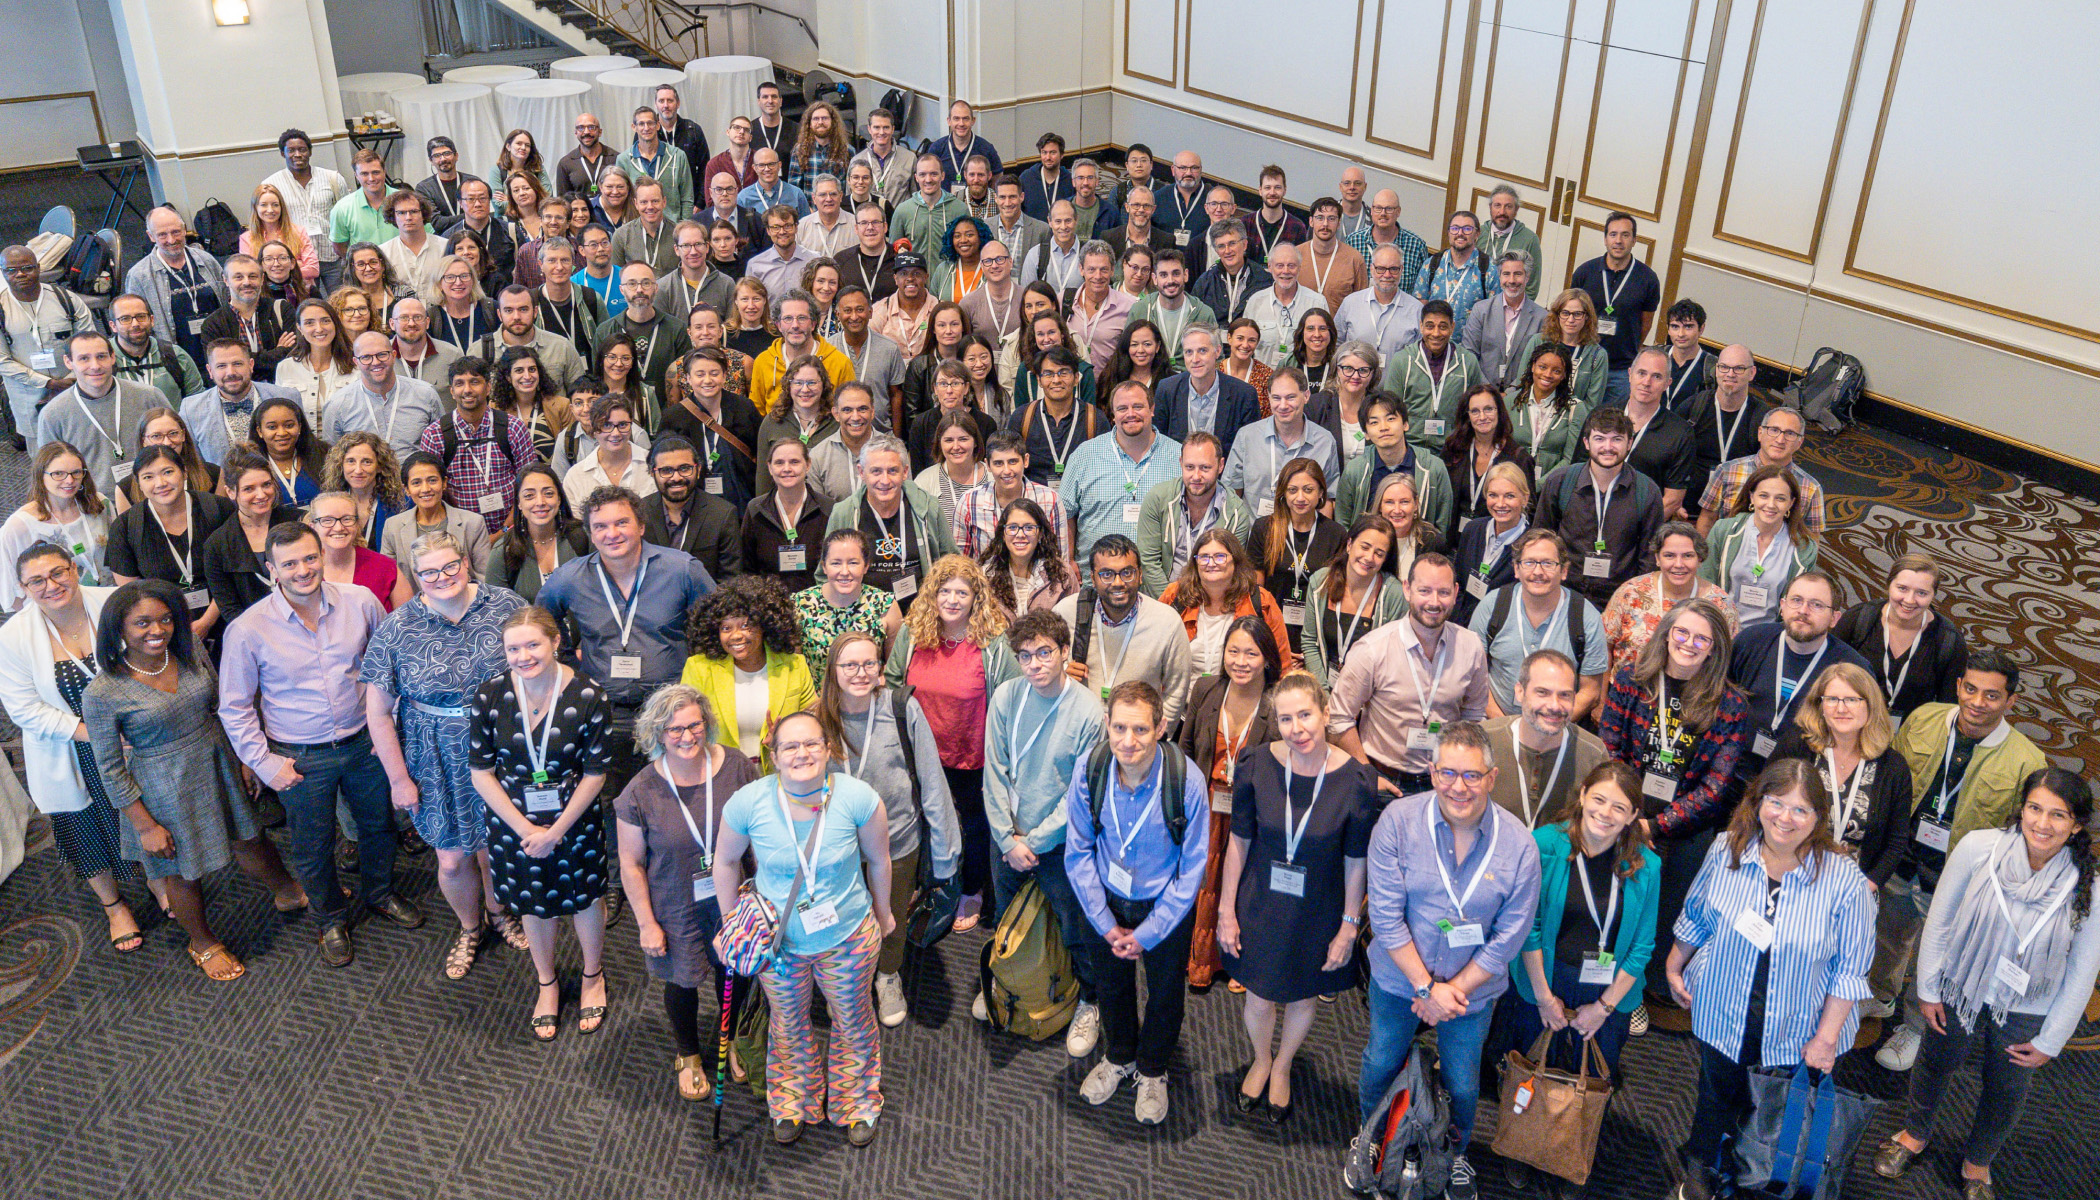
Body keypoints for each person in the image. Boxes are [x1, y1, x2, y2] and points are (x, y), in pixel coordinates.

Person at [1872, 769, 2100, 1200]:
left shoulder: (2087, 886)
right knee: (1937, 1062)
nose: (2042, 824)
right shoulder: (1979, 848)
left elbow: (2083, 971)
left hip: (2028, 1005)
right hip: (1960, 987)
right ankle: (1915, 1133)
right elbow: (1938, 921)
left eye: (2058, 815)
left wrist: (2052, 1039)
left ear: (2076, 825)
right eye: (2035, 808)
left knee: (2007, 1087)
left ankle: (1978, 1162)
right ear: (2022, 808)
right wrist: (1928, 988)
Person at [1663, 759, 1875, 1200]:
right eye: (1776, 803)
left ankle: (1752, 1166)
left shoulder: (1845, 882)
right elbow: (1698, 914)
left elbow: (1850, 970)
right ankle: (1701, 1162)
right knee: (1715, 1090)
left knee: (1772, 1104)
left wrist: (1826, 1039)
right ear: (1758, 802)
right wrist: (1674, 964)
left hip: (1796, 1023)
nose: (1785, 818)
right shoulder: (1728, 848)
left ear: (1818, 818)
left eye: (1801, 810)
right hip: (1724, 1000)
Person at [219, 522, 422, 966]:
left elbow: (389, 669)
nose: (303, 570)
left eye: (310, 558)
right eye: (289, 563)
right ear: (271, 568)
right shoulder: (248, 629)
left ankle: (380, 894)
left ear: (322, 557)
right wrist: (264, 763)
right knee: (313, 844)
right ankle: (330, 918)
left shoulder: (362, 603)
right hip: (299, 756)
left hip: (364, 742)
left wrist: (391, 732)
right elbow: (234, 707)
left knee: (379, 827)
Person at [1355, 722, 1543, 1200]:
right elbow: (1385, 915)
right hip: (1401, 981)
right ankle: (1373, 1137)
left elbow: (1509, 936)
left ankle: (1454, 1155)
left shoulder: (1520, 845)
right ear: (1433, 771)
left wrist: (1450, 992)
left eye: (1472, 776)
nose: (1459, 786)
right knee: (1380, 1060)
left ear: (1492, 777)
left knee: (1462, 1081)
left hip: (1471, 995)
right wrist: (1425, 987)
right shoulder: (1397, 821)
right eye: (1448, 773)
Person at [83, 577, 301, 980]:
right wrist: (145, 826)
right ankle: (201, 943)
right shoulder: (103, 690)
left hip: (217, 758)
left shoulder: (189, 650)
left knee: (251, 837)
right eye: (142, 623)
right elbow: (109, 766)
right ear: (118, 629)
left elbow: (221, 703)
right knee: (183, 871)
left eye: (166, 619)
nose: (157, 631)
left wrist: (244, 759)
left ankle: (288, 892)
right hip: (163, 784)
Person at [712, 708, 894, 1146]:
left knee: (852, 1018)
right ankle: (794, 1099)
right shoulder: (749, 802)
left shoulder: (858, 797)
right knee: (788, 1020)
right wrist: (732, 922)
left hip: (847, 937)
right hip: (778, 944)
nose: (802, 753)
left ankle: (857, 1102)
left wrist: (884, 913)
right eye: (789, 746)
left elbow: (880, 860)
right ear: (773, 755)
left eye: (812, 743)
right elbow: (724, 861)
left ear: (828, 749)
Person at [362, 532, 530, 978]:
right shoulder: (397, 627)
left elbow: (539, 666)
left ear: (465, 562)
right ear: (415, 577)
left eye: (450, 566)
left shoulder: (505, 605)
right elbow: (377, 713)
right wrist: (399, 779)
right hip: (433, 752)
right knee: (452, 857)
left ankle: (500, 912)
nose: (442, 578)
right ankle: (470, 926)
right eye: (429, 572)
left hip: (501, 743)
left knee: (498, 842)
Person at [1873, 649, 2048, 1073]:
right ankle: (1879, 996)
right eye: (1970, 689)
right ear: (1959, 686)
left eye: (1991, 695)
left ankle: (1915, 1025)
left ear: (2010, 702)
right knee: (1888, 935)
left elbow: (2016, 838)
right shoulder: (1925, 718)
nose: (1976, 701)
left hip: (1958, 879)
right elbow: (1891, 779)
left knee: (1937, 958)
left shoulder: (2026, 761)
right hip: (1904, 857)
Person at [1214, 669, 1373, 1119]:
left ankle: (1284, 1065)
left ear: (1326, 714)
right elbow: (1239, 842)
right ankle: (1262, 1059)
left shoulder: (1357, 781)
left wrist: (1348, 925)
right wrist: (1227, 910)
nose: (1297, 728)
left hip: (1318, 907)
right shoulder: (1255, 765)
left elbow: (1355, 861)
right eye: (1286, 719)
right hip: (1261, 901)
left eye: (1306, 715)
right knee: (1260, 995)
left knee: (1303, 995)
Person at [1505, 760, 1661, 1191]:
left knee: (1589, 1078)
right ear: (1582, 796)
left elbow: (1643, 946)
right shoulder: (1545, 845)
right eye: (1599, 800)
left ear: (1633, 816)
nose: (1606, 813)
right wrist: (1542, 997)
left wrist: (1604, 1008)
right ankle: (1522, 1147)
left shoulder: (1647, 865)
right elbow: (1529, 926)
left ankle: (1569, 1153)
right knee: (1532, 1066)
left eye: (1620, 807)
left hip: (1609, 992)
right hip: (1544, 979)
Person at [1061, 680, 1210, 1125]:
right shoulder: (1092, 767)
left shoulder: (1186, 781)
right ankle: (1121, 1055)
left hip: (1164, 908)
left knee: (1165, 994)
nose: (1129, 741)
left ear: (1161, 727)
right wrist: (1105, 923)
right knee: (1111, 986)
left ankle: (1153, 1069)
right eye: (1120, 727)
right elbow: (1078, 850)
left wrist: (1147, 933)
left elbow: (1192, 870)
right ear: (1106, 723)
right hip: (1104, 901)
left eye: (1141, 730)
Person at [469, 605, 614, 1038]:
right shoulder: (490, 694)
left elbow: (596, 772)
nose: (523, 655)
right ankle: (547, 983)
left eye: (533, 644)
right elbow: (480, 771)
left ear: (555, 643)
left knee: (585, 899)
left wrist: (555, 832)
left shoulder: (589, 695)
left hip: (574, 821)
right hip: (513, 823)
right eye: (513, 648)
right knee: (532, 903)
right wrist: (526, 831)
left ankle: (593, 976)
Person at [1599, 596, 1748, 1013]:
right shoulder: (1631, 678)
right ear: (1666, 634)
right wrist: (1628, 815)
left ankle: (1650, 989)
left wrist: (1654, 826)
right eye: (1682, 632)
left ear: (1715, 648)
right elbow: (1610, 744)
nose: (1689, 643)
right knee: (1620, 901)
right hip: (1623, 812)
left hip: (1686, 826)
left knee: (1667, 910)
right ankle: (1614, 983)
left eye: (1702, 638)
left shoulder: (1730, 703)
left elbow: (1716, 786)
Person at [0, 548, 151, 952]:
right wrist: (96, 735)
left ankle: (159, 881)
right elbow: (25, 710)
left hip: (132, 735)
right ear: (23, 588)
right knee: (83, 829)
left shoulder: (112, 605)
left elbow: (148, 657)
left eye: (58, 572)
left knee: (147, 815)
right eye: (37, 581)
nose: (51, 586)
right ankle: (114, 905)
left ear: (75, 569)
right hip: (69, 749)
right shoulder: (12, 638)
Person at [614, 683, 759, 1100]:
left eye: (693, 724)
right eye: (673, 729)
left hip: (735, 898)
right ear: (657, 734)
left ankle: (731, 1041)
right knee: (682, 981)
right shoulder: (639, 792)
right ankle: (689, 1053)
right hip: (676, 904)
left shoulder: (735, 767)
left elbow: (761, 829)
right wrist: (645, 923)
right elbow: (630, 863)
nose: (686, 736)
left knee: (735, 972)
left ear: (706, 722)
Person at [818, 629, 960, 1026]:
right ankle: (849, 981)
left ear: (882, 668)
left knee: (892, 917)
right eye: (850, 665)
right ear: (833, 670)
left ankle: (887, 975)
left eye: (869, 664)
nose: (860, 673)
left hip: (898, 841)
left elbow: (931, 780)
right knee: (844, 919)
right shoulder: (816, 717)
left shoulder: (901, 709)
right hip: (840, 850)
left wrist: (947, 850)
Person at [1176, 615, 1283, 993]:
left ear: (1267, 659)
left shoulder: (1277, 704)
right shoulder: (1205, 690)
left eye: (1251, 653)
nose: (1240, 661)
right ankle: (1194, 958)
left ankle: (1237, 959)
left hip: (1251, 814)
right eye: (1232, 651)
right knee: (1199, 882)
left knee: (1244, 889)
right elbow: (1186, 748)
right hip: (1205, 805)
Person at [1329, 554, 1491, 796]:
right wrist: (1366, 772)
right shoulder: (1372, 649)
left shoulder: (1471, 647)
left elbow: (1474, 715)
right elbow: (1339, 717)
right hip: (1383, 779)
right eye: (1424, 591)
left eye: (1444, 592)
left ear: (1456, 593)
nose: (1434, 602)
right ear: (1407, 589)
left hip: (1444, 782)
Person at [1768, 662, 1911, 893]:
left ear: (1871, 705)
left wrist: (1867, 887)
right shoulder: (1796, 746)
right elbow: (1762, 804)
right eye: (1832, 699)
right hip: (1786, 876)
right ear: (1820, 705)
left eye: (1852, 700)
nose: (1841, 708)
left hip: (1853, 888)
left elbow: (1896, 842)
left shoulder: (1893, 768)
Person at [1725, 571, 1870, 788]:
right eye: (1796, 600)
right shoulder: (1750, 641)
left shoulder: (1853, 669)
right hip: (1731, 773)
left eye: (1817, 605)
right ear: (1782, 606)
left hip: (1797, 787)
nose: (1803, 610)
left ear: (1834, 618)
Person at [1051, 535, 1196, 729]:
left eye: (1127, 573)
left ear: (1140, 575)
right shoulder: (1067, 612)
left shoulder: (1167, 622)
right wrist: (1058, 674)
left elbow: (1176, 691)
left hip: (1138, 740)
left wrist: (1156, 738)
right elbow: (1042, 669)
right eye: (1107, 574)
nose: (1118, 583)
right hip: (1078, 734)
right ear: (1093, 578)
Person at [1532, 406, 1665, 612]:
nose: (1608, 447)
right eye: (1600, 438)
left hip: (1620, 601)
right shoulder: (1561, 482)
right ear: (1586, 442)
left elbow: (1649, 557)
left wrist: (1635, 602)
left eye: (1617, 439)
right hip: (1563, 594)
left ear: (1629, 443)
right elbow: (1540, 538)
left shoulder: (1647, 491)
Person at [679, 574, 816, 772]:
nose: (736, 635)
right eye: (726, 628)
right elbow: (687, 731)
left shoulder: (794, 665)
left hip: (781, 775)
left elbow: (812, 724)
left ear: (765, 625)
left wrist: (781, 740)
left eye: (745, 625)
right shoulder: (698, 669)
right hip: (720, 777)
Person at [1470, 529, 1609, 722]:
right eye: (1529, 563)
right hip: (1497, 724)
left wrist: (1550, 726)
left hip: (1558, 727)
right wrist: (1504, 727)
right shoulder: (1492, 606)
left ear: (1564, 571)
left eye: (1548, 563)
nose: (1538, 572)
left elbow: (1591, 691)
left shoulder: (1586, 617)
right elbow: (1475, 677)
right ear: (1516, 569)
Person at [104, 443, 233, 639]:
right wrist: (170, 626)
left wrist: (207, 621)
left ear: (184, 472)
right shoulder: (125, 527)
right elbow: (132, 594)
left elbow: (236, 572)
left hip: (227, 617)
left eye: (167, 472)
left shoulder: (218, 509)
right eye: (148, 477)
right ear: (138, 484)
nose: (160, 483)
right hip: (162, 630)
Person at [1832, 553, 1967, 724]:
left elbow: (1947, 708)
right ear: (1889, 586)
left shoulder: (1949, 641)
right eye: (1902, 588)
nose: (1909, 600)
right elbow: (1825, 674)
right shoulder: (1859, 619)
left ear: (1933, 594)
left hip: (1911, 736)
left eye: (1922, 593)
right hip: (1847, 723)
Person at [1484, 649, 1610, 829]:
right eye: (1542, 692)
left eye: (1564, 695)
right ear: (1519, 692)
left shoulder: (1593, 754)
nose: (1554, 705)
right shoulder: (1483, 740)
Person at [1060, 380, 1181, 558]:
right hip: (1096, 578)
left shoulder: (1179, 456)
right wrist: (1068, 561)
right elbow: (1065, 514)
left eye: (1138, 406)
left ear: (1152, 409)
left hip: (1160, 579)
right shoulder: (1084, 456)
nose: (1131, 414)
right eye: (1122, 408)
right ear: (1113, 415)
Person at [1600, 521, 1737, 678]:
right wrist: (1602, 700)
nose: (1678, 564)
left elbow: (1726, 661)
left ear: (1700, 559)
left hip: (1692, 697)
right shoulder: (1630, 593)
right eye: (1669, 556)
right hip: (1628, 694)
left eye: (1688, 556)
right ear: (1657, 558)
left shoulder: (1720, 604)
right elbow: (1604, 648)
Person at [1161, 527, 1294, 682]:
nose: (1211, 563)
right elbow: (1152, 650)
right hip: (1180, 699)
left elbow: (1282, 666)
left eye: (1220, 557)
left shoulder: (1261, 601)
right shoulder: (1175, 595)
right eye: (1204, 557)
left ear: (1235, 560)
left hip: (1240, 699)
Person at [1696, 463, 1818, 626]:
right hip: (1720, 627)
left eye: (1780, 498)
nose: (1771, 504)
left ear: (1790, 503)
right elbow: (1704, 584)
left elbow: (1799, 606)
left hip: (1769, 636)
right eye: (1764, 496)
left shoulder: (1804, 549)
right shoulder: (1723, 530)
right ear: (1752, 497)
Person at [34, 332, 152, 496]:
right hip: (94, 504)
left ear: (112, 357)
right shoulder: (52, 415)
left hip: (154, 494)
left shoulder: (149, 397)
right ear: (68, 362)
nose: (95, 365)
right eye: (84, 359)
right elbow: (50, 474)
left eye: (101, 356)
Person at [1134, 431, 1249, 597]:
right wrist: (1172, 605)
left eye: (1205, 468)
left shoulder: (1236, 513)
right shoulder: (1158, 499)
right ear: (1181, 463)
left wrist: (1201, 609)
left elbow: (1231, 570)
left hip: (1212, 602)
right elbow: (1148, 562)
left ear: (1221, 466)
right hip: (1162, 601)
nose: (1196, 476)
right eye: (1190, 467)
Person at [1251, 457, 1347, 653]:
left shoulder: (1336, 534)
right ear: (1283, 493)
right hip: (1271, 629)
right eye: (1292, 490)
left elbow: (1337, 593)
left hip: (1316, 633)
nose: (1300, 498)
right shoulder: (1264, 528)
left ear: (1321, 492)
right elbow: (1256, 590)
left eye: (1308, 490)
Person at [1299, 514, 1406, 687]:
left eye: (1379, 553)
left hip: (1368, 696)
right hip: (1322, 689)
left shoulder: (1394, 595)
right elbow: (1310, 641)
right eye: (1365, 547)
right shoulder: (1320, 582)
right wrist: (1324, 695)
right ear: (1349, 545)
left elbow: (1391, 659)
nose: (1369, 557)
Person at [1333, 386, 1458, 533]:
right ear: (1366, 433)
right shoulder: (1355, 470)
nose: (1384, 427)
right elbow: (1343, 524)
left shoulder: (1433, 467)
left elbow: (1442, 526)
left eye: (1391, 419)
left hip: (1419, 550)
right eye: (1374, 422)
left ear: (1405, 424)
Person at [0, 442, 109, 607]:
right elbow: (13, 595)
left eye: (76, 472)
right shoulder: (18, 527)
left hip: (107, 598)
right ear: (40, 475)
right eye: (58, 474)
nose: (70, 480)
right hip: (58, 611)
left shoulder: (99, 504)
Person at [198, 451, 300, 625]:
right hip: (253, 635)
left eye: (266, 485)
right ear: (230, 492)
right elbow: (229, 608)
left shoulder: (298, 523)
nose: (261, 495)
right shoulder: (217, 545)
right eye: (249, 489)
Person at [1223, 367, 1340, 519]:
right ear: (1269, 398)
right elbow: (1232, 494)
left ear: (1306, 396)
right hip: (1254, 536)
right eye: (1276, 398)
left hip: (1302, 537)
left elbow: (1327, 499)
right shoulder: (1247, 437)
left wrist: (1320, 540)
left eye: (1290, 397)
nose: (1283, 405)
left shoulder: (1324, 442)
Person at [1569, 212, 1660, 407]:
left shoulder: (1648, 279)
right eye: (1613, 234)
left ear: (1634, 240)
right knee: (1574, 414)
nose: (1618, 241)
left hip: (1620, 368)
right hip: (1583, 360)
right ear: (1605, 239)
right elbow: (1569, 313)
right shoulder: (1585, 273)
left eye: (1625, 235)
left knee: (1609, 424)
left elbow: (1646, 323)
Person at [1695, 404, 1826, 537]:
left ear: (1799, 442)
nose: (1780, 440)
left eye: (1790, 434)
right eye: (1774, 430)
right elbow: (1707, 520)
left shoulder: (1811, 488)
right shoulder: (1727, 472)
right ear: (1760, 433)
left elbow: (1810, 541)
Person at [178, 338, 304, 476]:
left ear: (251, 365)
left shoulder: (287, 397)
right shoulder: (190, 409)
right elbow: (196, 466)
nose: (230, 372)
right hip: (225, 493)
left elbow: (304, 449)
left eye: (237, 364)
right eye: (221, 366)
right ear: (210, 370)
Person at [125, 208, 229, 367]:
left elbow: (227, 300)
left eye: (176, 232)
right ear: (151, 236)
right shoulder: (139, 276)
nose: (171, 240)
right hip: (176, 360)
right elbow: (136, 325)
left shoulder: (206, 260)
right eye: (162, 235)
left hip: (220, 353)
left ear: (184, 229)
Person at [1605, 348, 1699, 519]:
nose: (1646, 382)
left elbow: (1673, 500)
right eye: (1641, 373)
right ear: (1630, 374)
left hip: (1641, 527)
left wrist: (1631, 526)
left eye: (1656, 377)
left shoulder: (1680, 434)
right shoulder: (1601, 416)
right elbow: (1579, 471)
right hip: (1590, 516)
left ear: (1667, 383)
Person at [382, 451, 493, 586]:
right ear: (406, 489)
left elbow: (486, 578)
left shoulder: (473, 523)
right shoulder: (393, 527)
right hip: (415, 605)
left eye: (432, 480)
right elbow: (389, 581)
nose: (425, 489)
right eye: (416, 483)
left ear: (444, 483)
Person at [1680, 344, 1765, 511]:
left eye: (1739, 368)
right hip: (1689, 505)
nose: (1730, 374)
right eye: (1724, 367)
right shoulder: (1693, 407)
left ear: (1752, 373)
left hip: (1738, 507)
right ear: (1716, 369)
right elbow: (1671, 457)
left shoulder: (1762, 417)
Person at [263, 129, 351, 290]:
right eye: (291, 150)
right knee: (308, 306)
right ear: (283, 153)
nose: (297, 154)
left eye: (302, 149)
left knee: (341, 301)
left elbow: (346, 215)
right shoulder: (272, 185)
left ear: (310, 152)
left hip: (333, 254)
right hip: (298, 258)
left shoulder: (332, 179)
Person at [486, 463, 585, 604]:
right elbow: (497, 611)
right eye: (529, 496)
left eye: (548, 493)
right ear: (518, 503)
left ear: (559, 498)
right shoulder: (502, 550)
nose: (540, 502)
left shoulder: (583, 537)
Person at [1449, 462, 1530, 627]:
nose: (1500, 504)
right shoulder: (1472, 529)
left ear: (1525, 498)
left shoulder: (1532, 545)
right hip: (1461, 625)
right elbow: (1457, 583)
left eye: (1509, 496)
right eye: (1493, 495)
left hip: (1502, 631)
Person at [306, 490, 409, 612]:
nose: (339, 527)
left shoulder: (385, 567)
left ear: (357, 524)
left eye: (347, 519)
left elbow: (410, 623)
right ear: (312, 527)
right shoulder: (299, 570)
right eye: (327, 520)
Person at [1515, 289, 1610, 412]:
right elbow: (1522, 385)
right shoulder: (1538, 342)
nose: (1570, 320)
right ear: (1557, 314)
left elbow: (1592, 405)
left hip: (1572, 420)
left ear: (1587, 316)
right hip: (1533, 412)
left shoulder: (1597, 355)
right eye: (1565, 313)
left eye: (1577, 314)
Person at [106, 293, 206, 409]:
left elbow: (198, 401)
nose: (135, 324)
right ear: (113, 326)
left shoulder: (176, 356)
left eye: (141, 316)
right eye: (125, 319)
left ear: (151, 320)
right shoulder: (102, 360)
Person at [1505, 342, 1589, 479]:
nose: (1548, 374)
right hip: (1513, 482)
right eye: (1542, 367)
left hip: (1554, 487)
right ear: (1533, 367)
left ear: (1563, 376)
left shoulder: (1576, 408)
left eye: (1556, 371)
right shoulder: (1510, 402)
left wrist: (1538, 486)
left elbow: (1570, 460)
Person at [112, 407, 219, 514]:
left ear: (183, 435)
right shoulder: (125, 489)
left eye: (173, 433)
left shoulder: (213, 474)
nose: (167, 442)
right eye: (156, 436)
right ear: (143, 441)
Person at [1465, 253, 1547, 391]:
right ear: (1500, 276)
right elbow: (1469, 355)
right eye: (1506, 274)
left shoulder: (1542, 318)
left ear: (1527, 278)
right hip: (1481, 391)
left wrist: (1511, 393)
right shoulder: (1481, 310)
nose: (1512, 280)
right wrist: (1488, 390)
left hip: (1520, 395)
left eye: (1518, 274)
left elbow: (1539, 363)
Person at [1343, 190, 1432, 284]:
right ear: (1372, 211)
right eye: (1378, 208)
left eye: (1389, 209)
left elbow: (1423, 290)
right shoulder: (1353, 242)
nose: (1383, 213)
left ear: (1398, 212)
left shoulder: (1416, 246)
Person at [848, 107, 913, 207]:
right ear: (869, 129)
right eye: (877, 127)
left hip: (899, 221)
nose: (881, 132)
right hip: (868, 221)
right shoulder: (857, 161)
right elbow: (850, 198)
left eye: (886, 127)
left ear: (893, 129)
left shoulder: (909, 159)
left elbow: (917, 196)